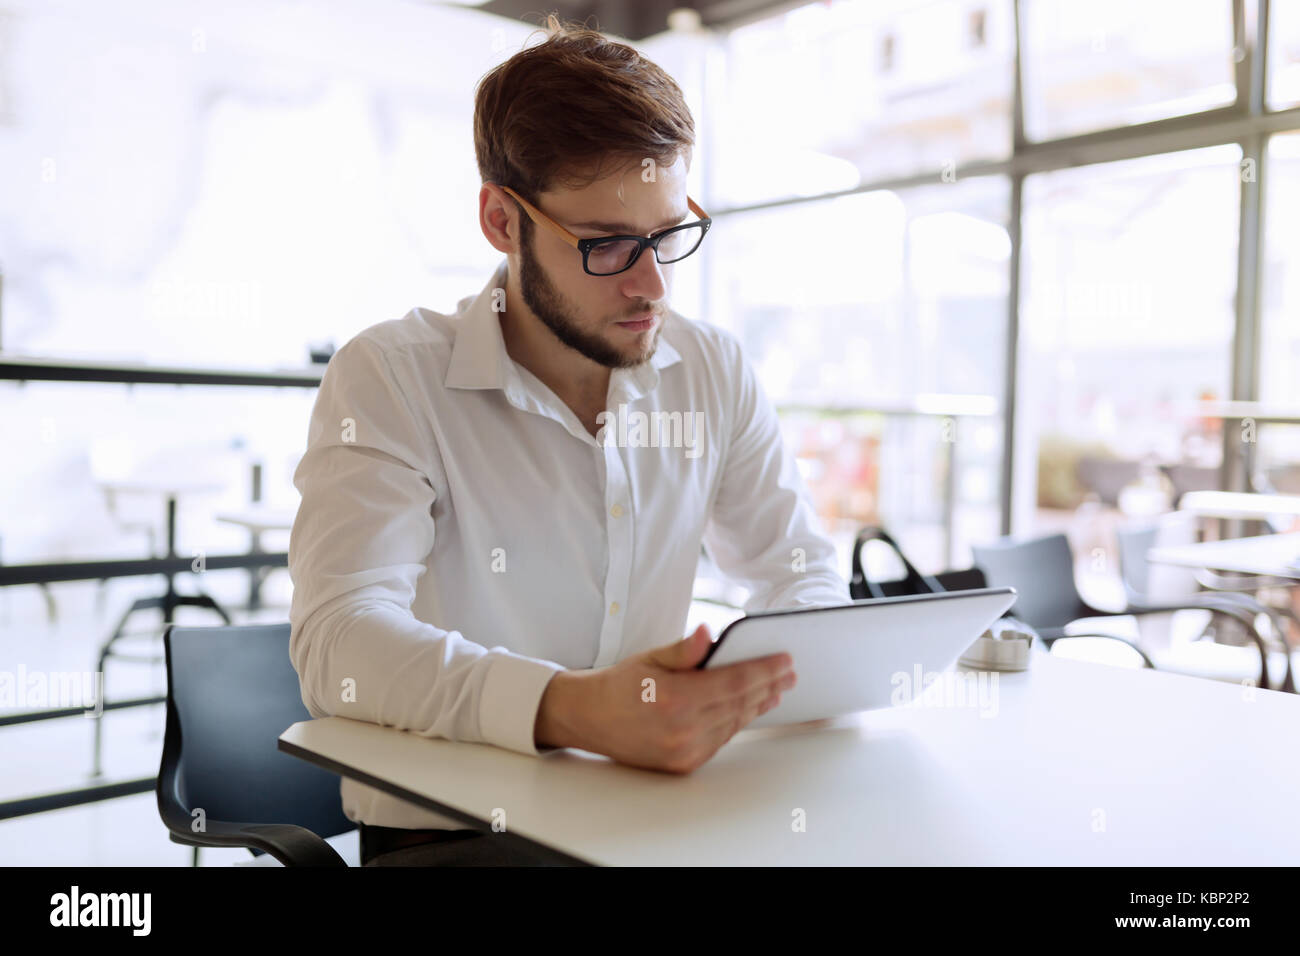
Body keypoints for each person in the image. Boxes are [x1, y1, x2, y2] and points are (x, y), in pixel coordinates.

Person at [288, 15, 850, 867]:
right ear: (501, 220)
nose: (651, 284)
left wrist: (764, 680)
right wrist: (572, 710)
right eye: (609, 246)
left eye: (668, 235)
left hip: (654, 815)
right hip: (454, 838)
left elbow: (799, 569)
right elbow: (340, 644)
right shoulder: (392, 378)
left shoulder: (713, 369)